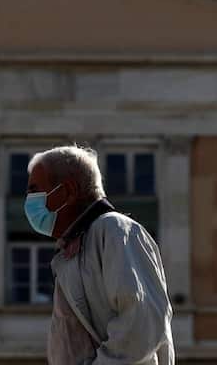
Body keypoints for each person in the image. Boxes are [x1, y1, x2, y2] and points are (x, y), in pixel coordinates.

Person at [24, 145, 174, 365]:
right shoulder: (73, 247)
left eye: (34, 190)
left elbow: (142, 324)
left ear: (68, 191)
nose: (28, 200)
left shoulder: (114, 229)